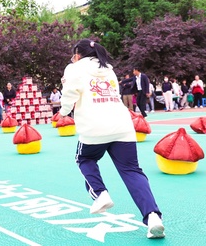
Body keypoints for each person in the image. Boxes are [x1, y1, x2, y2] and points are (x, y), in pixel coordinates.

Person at [59, 39, 164, 239]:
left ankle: (100, 194)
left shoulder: (74, 68)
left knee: (85, 159)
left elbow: (69, 95)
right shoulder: (108, 69)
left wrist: (63, 112)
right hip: (122, 126)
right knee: (132, 171)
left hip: (94, 127)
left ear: (78, 54)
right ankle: (153, 218)